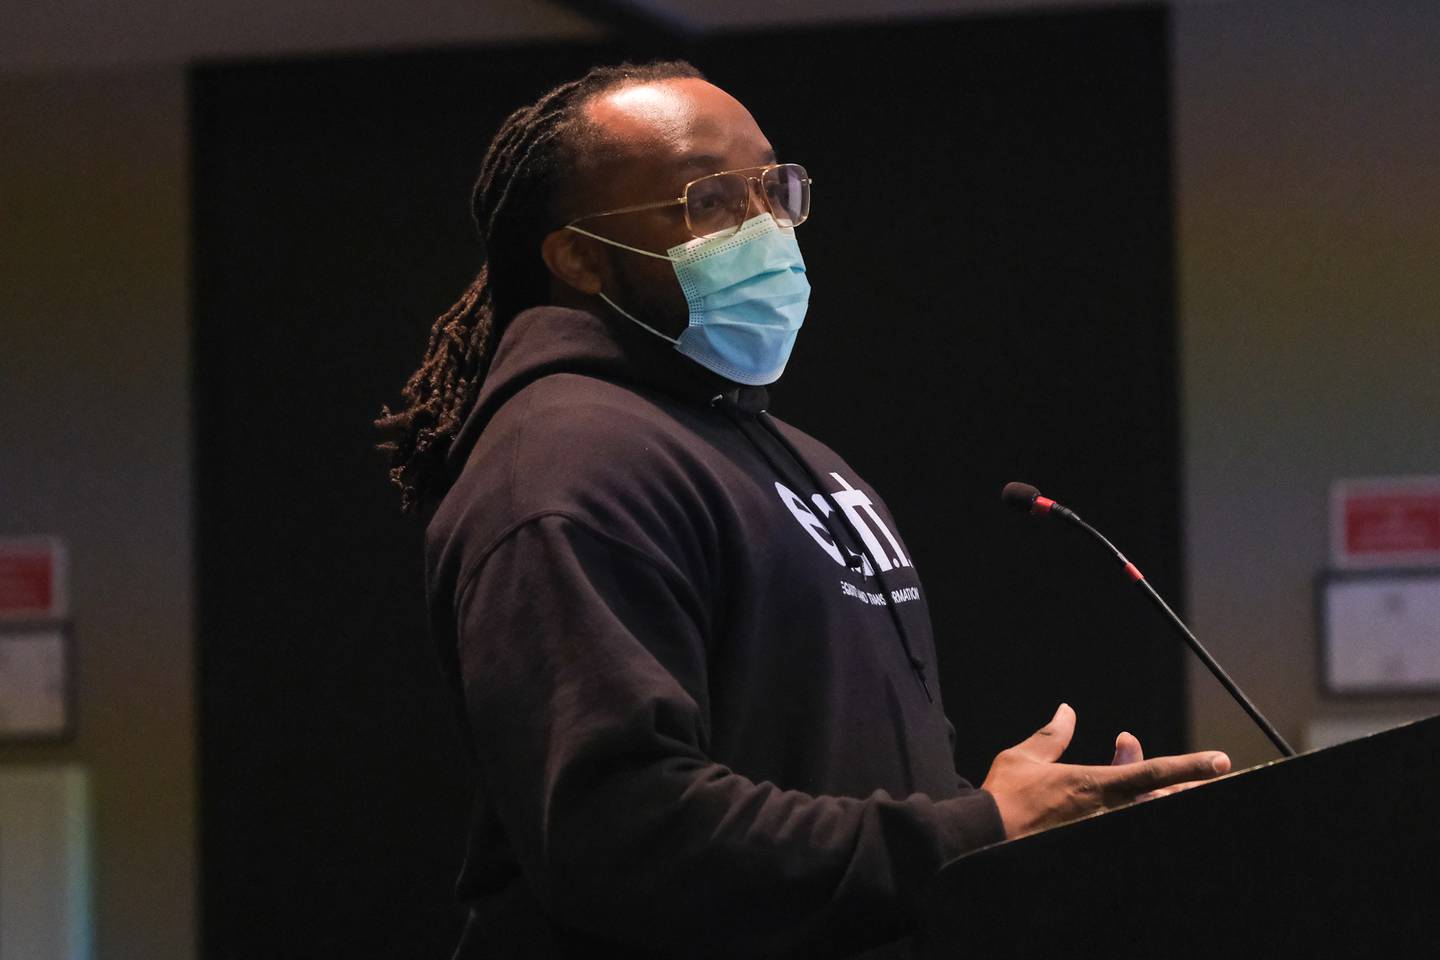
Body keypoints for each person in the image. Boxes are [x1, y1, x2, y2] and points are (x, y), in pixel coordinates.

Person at [377, 60, 1230, 959]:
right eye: (708, 200)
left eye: (773, 190)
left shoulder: (795, 459)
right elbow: (622, 836)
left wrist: (1023, 842)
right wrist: (971, 833)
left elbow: (846, 790)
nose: (765, 228)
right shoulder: (560, 465)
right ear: (579, 255)